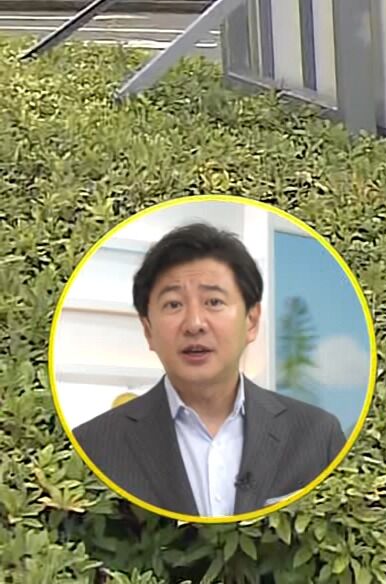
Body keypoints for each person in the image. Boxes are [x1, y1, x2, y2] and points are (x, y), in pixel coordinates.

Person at [69, 221, 347, 518]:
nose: (194, 324)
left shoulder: (317, 436)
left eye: (214, 302)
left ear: (251, 321)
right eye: (173, 305)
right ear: (148, 330)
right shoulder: (95, 446)